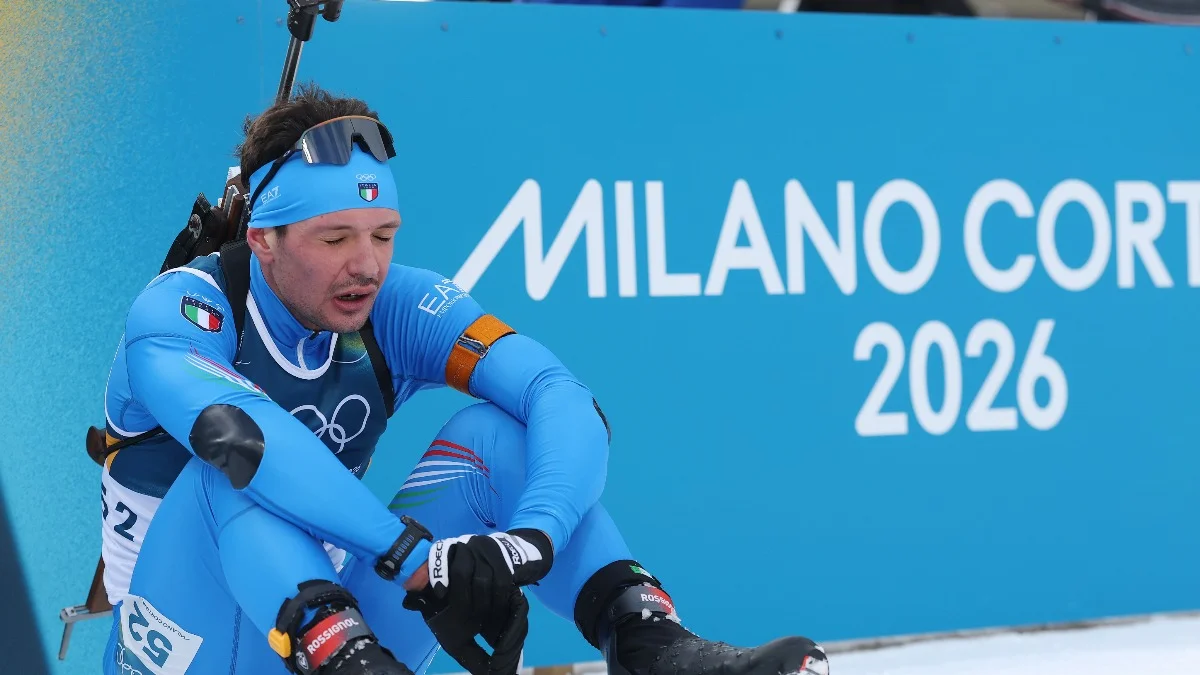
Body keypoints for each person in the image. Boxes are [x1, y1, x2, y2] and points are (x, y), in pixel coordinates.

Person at [96, 83, 830, 675]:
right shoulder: (181, 312)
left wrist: (529, 540)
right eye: (335, 238)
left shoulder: (396, 307)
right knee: (228, 471)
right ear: (262, 237)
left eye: (383, 235)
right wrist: (419, 560)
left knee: (494, 435)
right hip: (183, 639)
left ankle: (647, 642)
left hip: (329, 632)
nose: (367, 265)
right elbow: (251, 441)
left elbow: (561, 397)